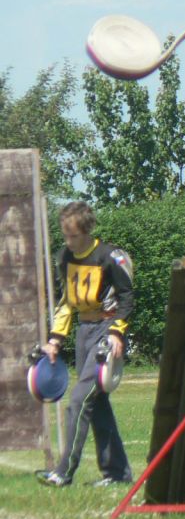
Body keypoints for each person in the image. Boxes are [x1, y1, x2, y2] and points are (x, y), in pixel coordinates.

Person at [35, 202, 134, 488]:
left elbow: (127, 297)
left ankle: (63, 471)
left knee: (79, 399)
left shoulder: (110, 257)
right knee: (97, 402)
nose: (68, 242)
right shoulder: (64, 257)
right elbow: (66, 302)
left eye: (74, 236)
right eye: (65, 236)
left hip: (106, 330)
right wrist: (55, 340)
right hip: (83, 332)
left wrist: (117, 332)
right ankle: (118, 474)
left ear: (87, 230)